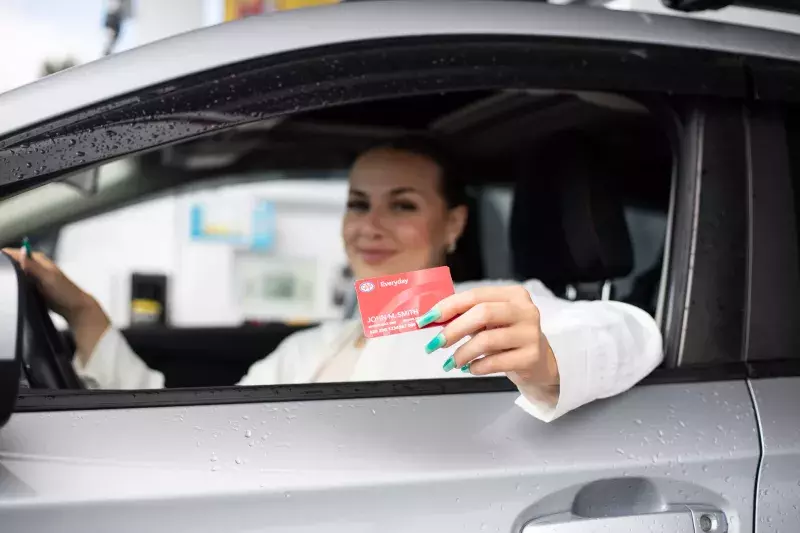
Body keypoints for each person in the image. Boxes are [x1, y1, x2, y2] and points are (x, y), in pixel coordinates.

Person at [3, 137, 663, 422]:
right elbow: (204, 426)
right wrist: (86, 315)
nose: (370, 225)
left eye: (402, 204)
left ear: (453, 223)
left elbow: (631, 332)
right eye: (358, 203)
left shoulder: (483, 309)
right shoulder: (316, 343)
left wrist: (547, 358)